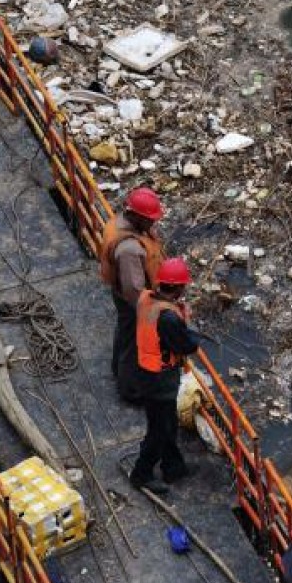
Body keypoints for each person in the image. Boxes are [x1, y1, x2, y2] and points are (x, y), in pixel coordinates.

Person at [127, 257, 198, 494]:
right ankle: (141, 474)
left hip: (145, 371)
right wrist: (187, 322)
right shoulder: (168, 318)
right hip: (159, 380)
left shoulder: (146, 298)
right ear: (178, 287)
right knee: (160, 430)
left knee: (166, 424)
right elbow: (187, 345)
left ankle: (173, 466)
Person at [99, 187, 165, 390]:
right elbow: (133, 289)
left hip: (120, 292)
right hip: (132, 300)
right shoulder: (129, 249)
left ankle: (116, 368)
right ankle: (129, 389)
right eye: (150, 219)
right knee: (133, 343)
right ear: (137, 216)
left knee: (125, 331)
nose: (153, 223)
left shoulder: (118, 224)